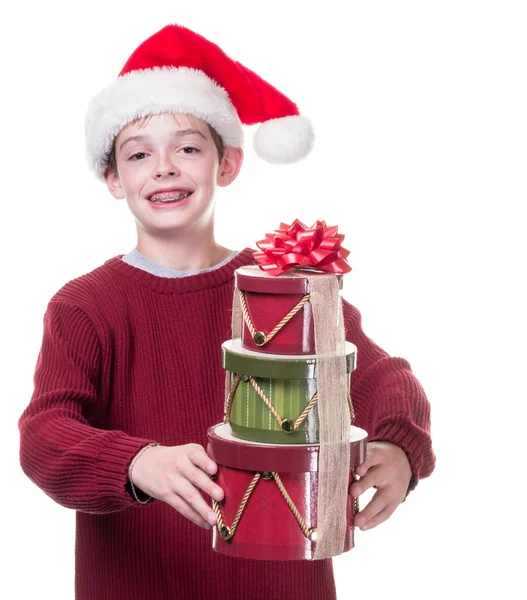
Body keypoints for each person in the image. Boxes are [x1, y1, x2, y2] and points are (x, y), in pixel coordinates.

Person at [18, 24, 435, 600]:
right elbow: (44, 434)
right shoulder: (85, 306)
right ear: (114, 179)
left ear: (228, 164)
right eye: (139, 154)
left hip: (285, 585)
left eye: (188, 147)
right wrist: (136, 462)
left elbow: (383, 376)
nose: (164, 167)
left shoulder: (286, 290)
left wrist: (398, 445)